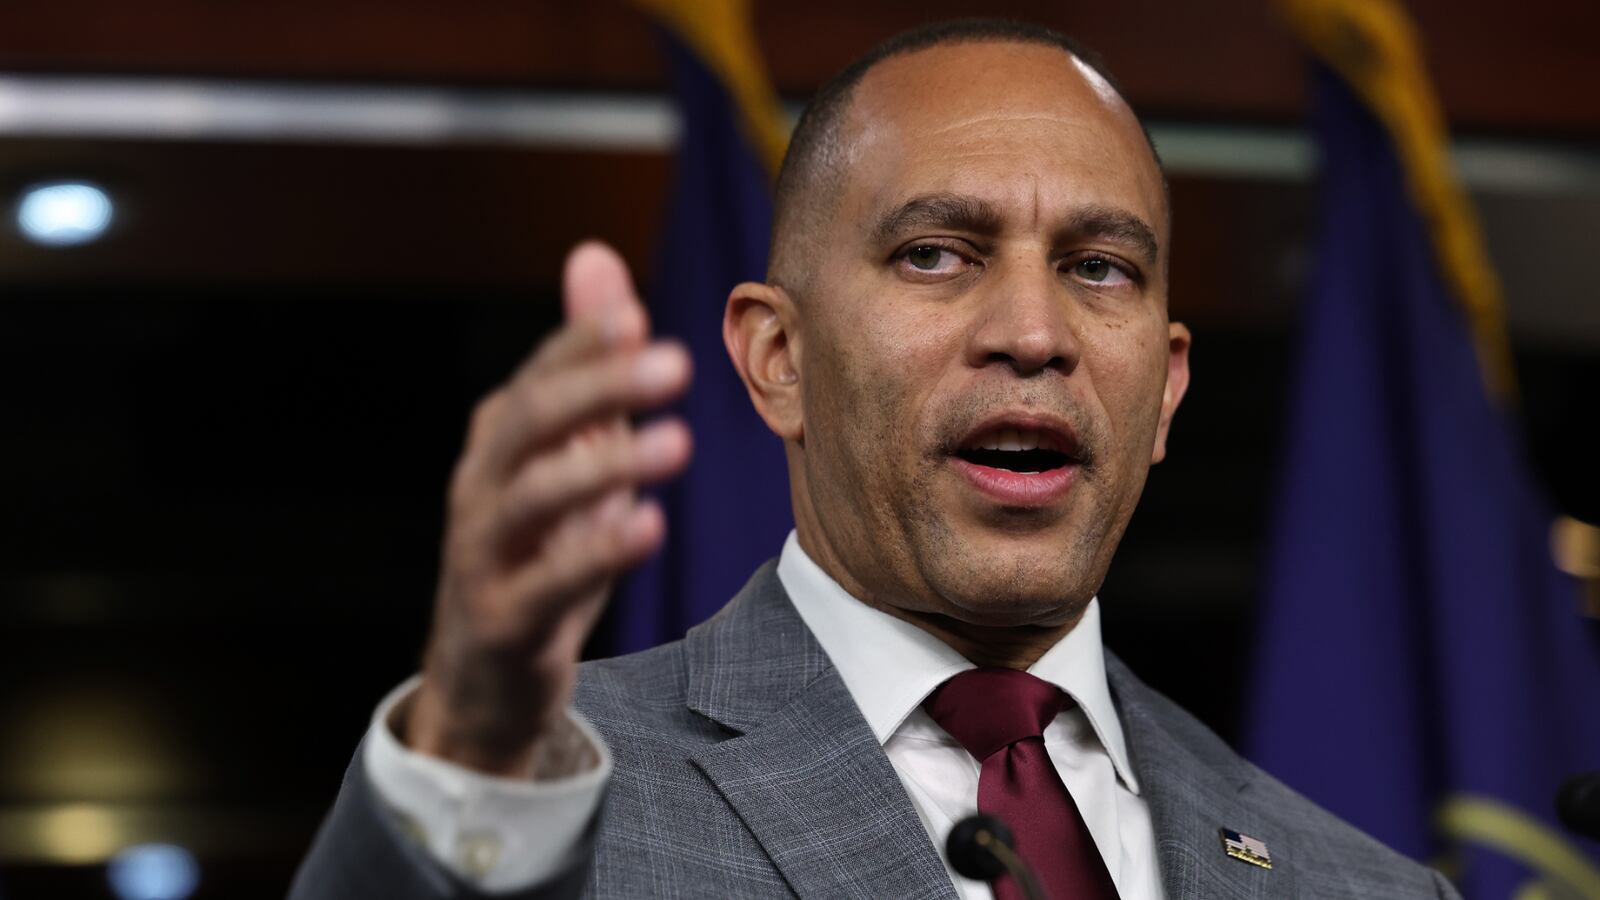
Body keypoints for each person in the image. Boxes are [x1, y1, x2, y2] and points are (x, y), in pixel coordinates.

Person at [291, 19, 1460, 900]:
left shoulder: (1360, 883)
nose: (1033, 333)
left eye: (1098, 267)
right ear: (778, 358)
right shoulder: (555, 803)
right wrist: (465, 780)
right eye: (937, 254)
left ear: (1163, 388)